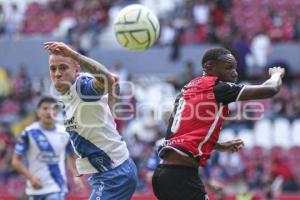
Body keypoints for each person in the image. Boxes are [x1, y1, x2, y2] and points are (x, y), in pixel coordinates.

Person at [152, 47, 285, 200]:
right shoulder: (219, 89)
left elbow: (180, 133)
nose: (234, 73)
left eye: (235, 68)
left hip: (163, 174)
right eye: (229, 68)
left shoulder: (187, 90)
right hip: (182, 176)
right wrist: (276, 74)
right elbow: (271, 89)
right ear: (209, 67)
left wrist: (219, 145)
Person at [43, 41, 137, 200]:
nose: (57, 74)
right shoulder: (67, 95)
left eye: (63, 67)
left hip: (113, 174)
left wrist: (74, 55)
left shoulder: (82, 87)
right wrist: (109, 114)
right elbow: (113, 82)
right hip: (109, 173)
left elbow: (108, 80)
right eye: (53, 69)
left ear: (76, 69)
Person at [12, 96, 84, 200]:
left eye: (53, 109)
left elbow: (71, 156)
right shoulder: (28, 133)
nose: (49, 112)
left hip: (57, 187)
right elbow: (15, 161)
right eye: (45, 108)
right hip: (35, 188)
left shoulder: (65, 133)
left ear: (57, 112)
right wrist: (31, 178)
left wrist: (76, 177)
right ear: (38, 112)